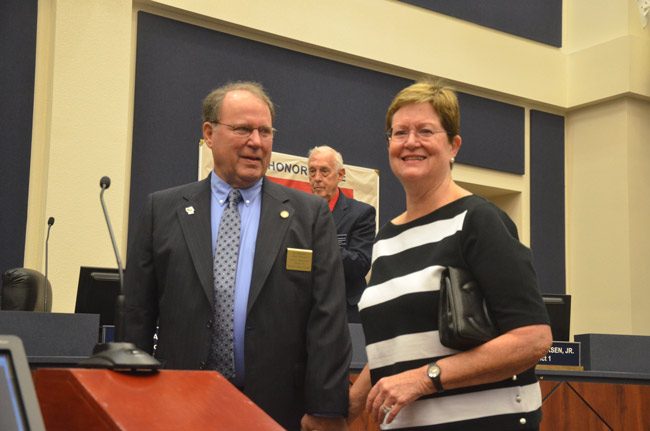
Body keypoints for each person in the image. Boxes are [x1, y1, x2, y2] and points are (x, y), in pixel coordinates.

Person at [124, 81, 351, 431]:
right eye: (243, 129)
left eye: (265, 131)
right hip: (180, 405)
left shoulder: (309, 215)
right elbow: (138, 312)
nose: (256, 142)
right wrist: (131, 395)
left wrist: (325, 407)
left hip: (278, 410)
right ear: (209, 133)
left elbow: (328, 318)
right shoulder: (162, 210)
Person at [348, 80, 552, 430]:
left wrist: (427, 377)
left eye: (425, 131)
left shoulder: (477, 220)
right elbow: (396, 350)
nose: (411, 142)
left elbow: (533, 338)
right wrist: (344, 409)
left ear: (453, 145)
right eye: (400, 133)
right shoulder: (386, 239)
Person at [307, 146, 376, 323]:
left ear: (340, 175)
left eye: (324, 171)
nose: (317, 178)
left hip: (344, 311)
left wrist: (322, 241)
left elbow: (360, 265)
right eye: (312, 171)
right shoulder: (298, 212)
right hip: (306, 309)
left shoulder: (361, 213)